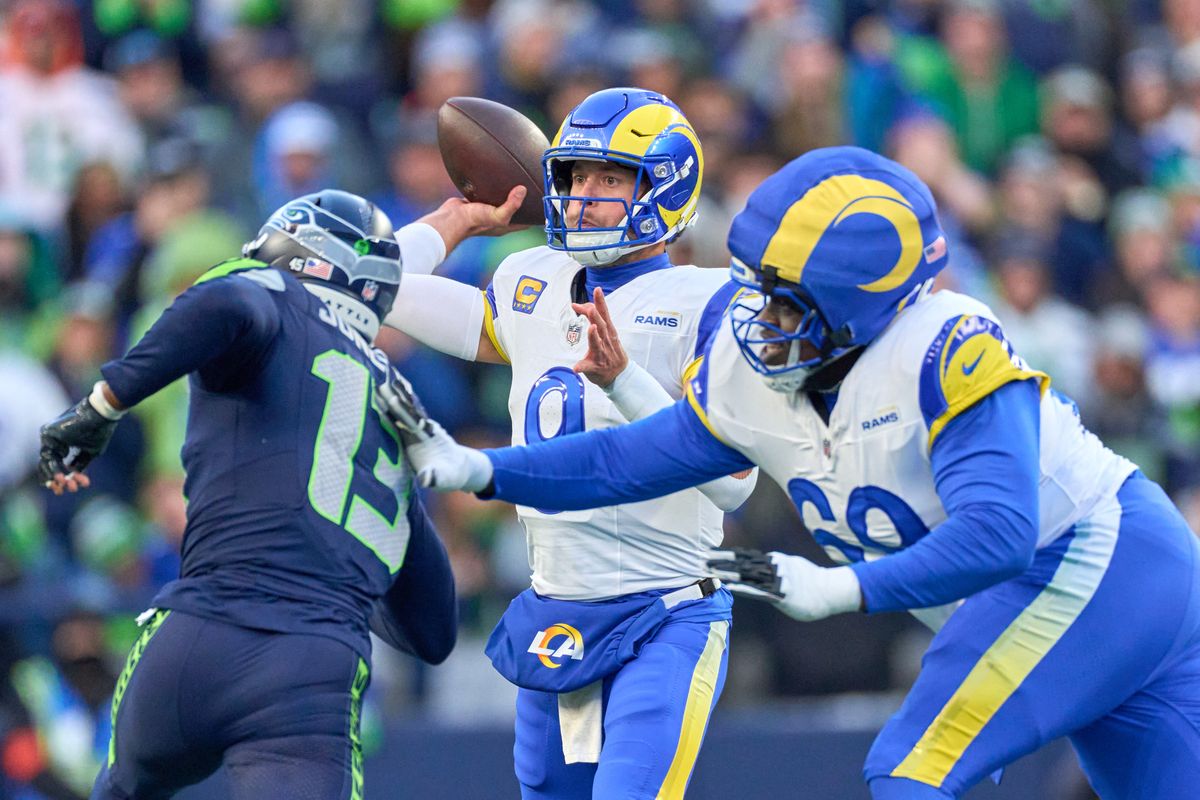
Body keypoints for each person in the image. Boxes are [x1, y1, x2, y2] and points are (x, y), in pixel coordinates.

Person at [382, 147, 1200, 799]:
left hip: (1096, 564)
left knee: (909, 768)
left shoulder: (946, 346)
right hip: (1078, 586)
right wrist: (482, 470)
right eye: (756, 287)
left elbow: (1003, 534)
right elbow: (630, 459)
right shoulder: (756, 369)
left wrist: (841, 589)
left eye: (783, 297)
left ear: (859, 304)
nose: (758, 318)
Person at [384, 87, 757, 799]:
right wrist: (453, 218)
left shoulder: (709, 302)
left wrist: (624, 382)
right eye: (575, 176)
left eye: (610, 178)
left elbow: (735, 481)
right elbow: (374, 285)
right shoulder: (533, 279)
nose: (585, 196)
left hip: (665, 611)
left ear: (665, 187)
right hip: (558, 610)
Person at [38, 190, 458, 800]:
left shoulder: (266, 296)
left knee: (120, 789)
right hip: (310, 671)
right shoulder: (399, 408)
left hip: (193, 640)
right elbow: (434, 631)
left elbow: (227, 299)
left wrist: (103, 404)